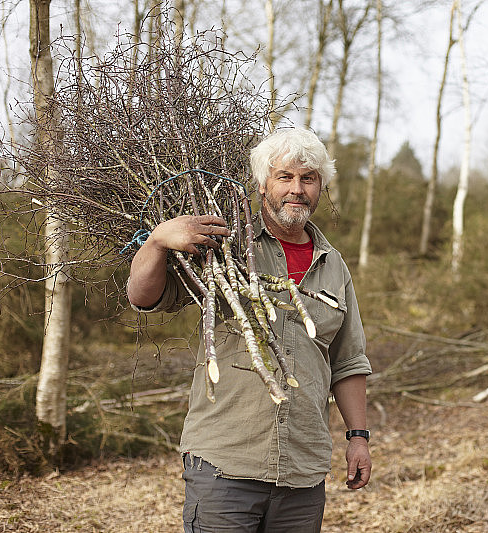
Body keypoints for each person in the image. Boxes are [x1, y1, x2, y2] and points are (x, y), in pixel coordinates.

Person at [126, 127, 372, 533]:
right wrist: (156, 242)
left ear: (321, 187)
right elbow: (144, 297)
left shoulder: (334, 266)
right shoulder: (221, 245)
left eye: (308, 178)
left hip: (302, 470)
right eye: (285, 177)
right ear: (261, 184)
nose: (297, 189)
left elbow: (348, 360)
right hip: (226, 464)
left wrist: (358, 437)